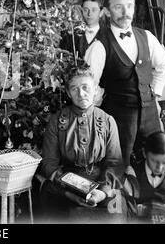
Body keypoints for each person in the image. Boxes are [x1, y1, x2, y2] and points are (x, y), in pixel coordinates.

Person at [84, 0, 165, 169]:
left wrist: (154, 93)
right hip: (118, 118)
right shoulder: (99, 45)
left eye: (129, 6)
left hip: (151, 115)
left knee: (158, 163)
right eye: (118, 7)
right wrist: (103, 105)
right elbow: (88, 85)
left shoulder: (147, 37)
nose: (125, 12)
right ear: (107, 11)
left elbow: (162, 67)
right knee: (117, 168)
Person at [38, 65, 124, 221]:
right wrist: (69, 192)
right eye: (74, 89)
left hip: (100, 182)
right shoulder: (57, 120)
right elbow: (49, 163)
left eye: (86, 87)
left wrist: (102, 192)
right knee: (48, 193)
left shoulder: (108, 121)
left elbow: (115, 163)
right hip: (65, 182)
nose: (81, 94)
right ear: (69, 93)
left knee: (117, 202)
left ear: (95, 89)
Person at [132, 131, 165, 223]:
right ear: (145, 153)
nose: (159, 167)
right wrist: (143, 210)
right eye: (154, 161)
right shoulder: (132, 174)